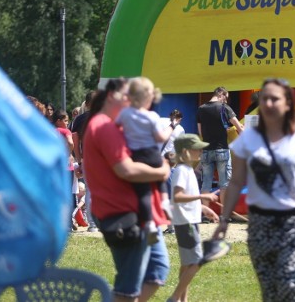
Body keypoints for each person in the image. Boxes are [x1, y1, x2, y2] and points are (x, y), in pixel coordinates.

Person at [213, 78, 295, 302]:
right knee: (270, 292)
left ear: (288, 103)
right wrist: (224, 219)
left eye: (275, 99)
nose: (269, 103)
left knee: (289, 287)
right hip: (260, 224)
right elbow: (235, 182)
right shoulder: (249, 138)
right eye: (265, 99)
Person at [83, 78, 170, 302]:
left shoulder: (114, 125)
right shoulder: (104, 126)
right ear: (111, 95)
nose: (132, 101)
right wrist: (161, 172)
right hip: (123, 215)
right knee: (127, 290)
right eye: (127, 96)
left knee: (158, 269)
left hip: (138, 214)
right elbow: (126, 170)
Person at [116, 77, 180, 244]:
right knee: (161, 180)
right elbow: (160, 137)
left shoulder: (125, 114)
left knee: (143, 191)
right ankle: (165, 203)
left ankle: (150, 224)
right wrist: (171, 127)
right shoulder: (152, 116)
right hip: (153, 154)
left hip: (137, 155)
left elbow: (116, 129)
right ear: (148, 98)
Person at [167, 134, 220, 302]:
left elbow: (187, 196)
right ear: (185, 151)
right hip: (186, 223)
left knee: (187, 263)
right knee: (197, 261)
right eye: (197, 148)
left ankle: (183, 299)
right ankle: (175, 298)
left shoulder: (188, 170)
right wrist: (202, 198)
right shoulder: (182, 170)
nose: (201, 151)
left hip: (189, 221)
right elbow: (178, 196)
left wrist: (203, 208)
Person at [197, 87, 244, 206]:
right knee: (224, 184)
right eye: (226, 97)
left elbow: (201, 132)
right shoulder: (224, 108)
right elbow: (239, 128)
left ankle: (206, 213)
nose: (226, 101)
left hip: (207, 150)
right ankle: (224, 214)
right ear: (221, 94)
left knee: (206, 183)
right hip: (222, 149)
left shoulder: (201, 109)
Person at [72, 90, 97, 231]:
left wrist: (79, 160)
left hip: (88, 158)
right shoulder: (105, 117)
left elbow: (75, 141)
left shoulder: (79, 120)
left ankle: (93, 225)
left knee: (90, 191)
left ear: (86, 104)